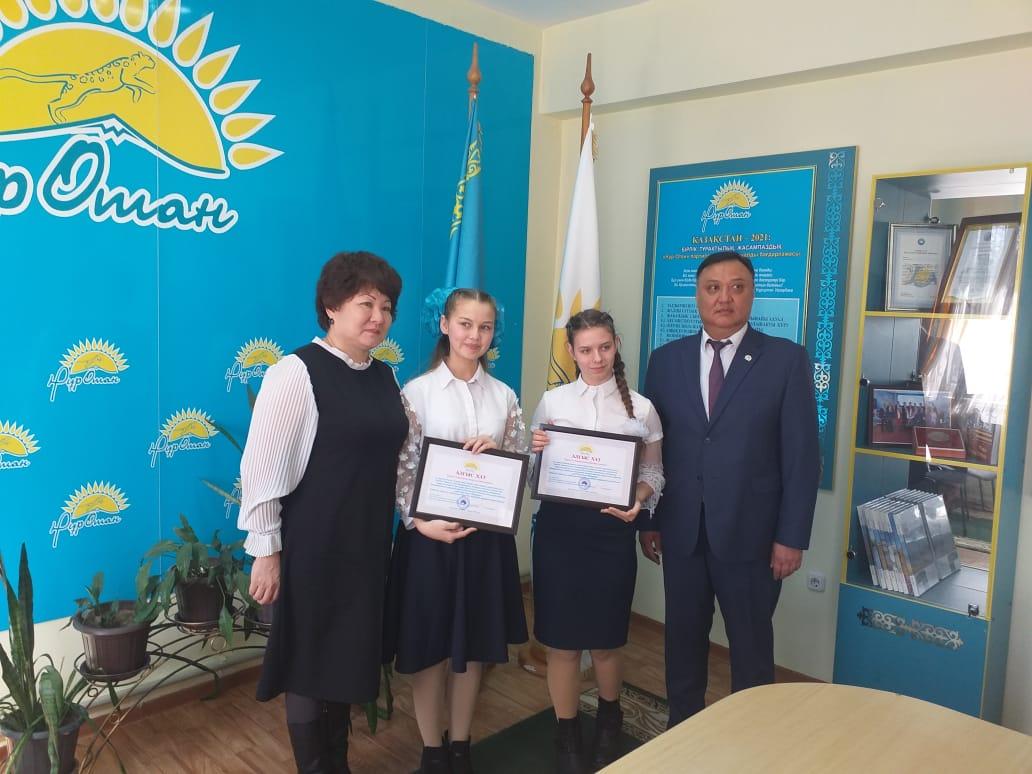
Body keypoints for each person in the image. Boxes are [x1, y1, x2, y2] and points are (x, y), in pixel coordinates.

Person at [239, 251, 408, 773]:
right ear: (332, 307)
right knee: (311, 666)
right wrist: (267, 552)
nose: (377, 316)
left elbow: (401, 458)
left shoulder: (384, 376)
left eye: (386, 307)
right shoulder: (296, 372)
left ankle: (338, 763)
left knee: (346, 660)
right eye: (365, 303)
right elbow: (263, 468)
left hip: (367, 547)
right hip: (314, 547)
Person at [641, 250, 819, 727]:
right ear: (697, 295)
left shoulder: (785, 360)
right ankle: (682, 732)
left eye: (737, 287)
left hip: (753, 538)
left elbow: (802, 457)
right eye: (713, 287)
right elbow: (652, 448)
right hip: (681, 531)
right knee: (682, 642)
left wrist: (791, 537)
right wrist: (649, 521)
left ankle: (751, 741)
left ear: (752, 294)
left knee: (751, 648)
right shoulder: (665, 360)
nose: (725, 297)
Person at [383, 288, 529, 774]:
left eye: (485, 327)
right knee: (429, 649)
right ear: (445, 325)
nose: (475, 335)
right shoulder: (416, 392)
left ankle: (462, 744)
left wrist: (500, 453)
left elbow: (519, 467)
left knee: (476, 646)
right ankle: (432, 748)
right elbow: (400, 470)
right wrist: (418, 522)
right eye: (465, 324)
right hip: (428, 541)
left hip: (485, 542)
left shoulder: (504, 396)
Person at [531, 309, 665, 773]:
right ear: (571, 351)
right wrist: (535, 454)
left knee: (607, 641)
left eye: (604, 347)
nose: (596, 358)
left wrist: (638, 501)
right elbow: (534, 475)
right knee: (562, 643)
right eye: (586, 350)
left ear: (616, 345)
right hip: (559, 534)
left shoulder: (641, 408)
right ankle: (567, 730)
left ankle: (610, 718)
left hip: (612, 532)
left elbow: (653, 473)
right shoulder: (553, 402)